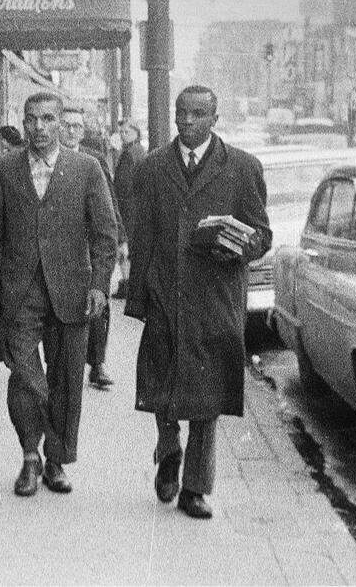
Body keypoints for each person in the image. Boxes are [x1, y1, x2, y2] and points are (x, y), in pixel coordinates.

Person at [127, 85, 271, 520]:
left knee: (208, 398)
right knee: (162, 384)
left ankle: (195, 488)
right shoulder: (152, 167)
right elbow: (142, 235)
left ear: (214, 118)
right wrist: (139, 297)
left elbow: (263, 234)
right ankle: (168, 449)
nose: (186, 122)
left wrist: (240, 248)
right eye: (180, 114)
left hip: (215, 300)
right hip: (167, 296)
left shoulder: (243, 168)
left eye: (196, 114)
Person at [0, 92, 118, 498]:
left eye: (47, 119)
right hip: (19, 292)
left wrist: (99, 285)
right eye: (31, 119)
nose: (38, 127)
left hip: (72, 291)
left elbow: (105, 235)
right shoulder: (4, 170)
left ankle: (56, 460)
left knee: (68, 378)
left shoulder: (87, 169)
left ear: (61, 123)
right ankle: (28, 456)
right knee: (25, 376)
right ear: (22, 123)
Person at [58, 104, 121, 391]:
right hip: (58, 244)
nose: (71, 131)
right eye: (66, 124)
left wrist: (117, 239)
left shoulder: (94, 161)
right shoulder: (47, 160)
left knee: (97, 303)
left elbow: (109, 205)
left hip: (88, 244)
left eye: (77, 126)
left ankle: (97, 364)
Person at [111, 119, 145, 299]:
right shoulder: (140, 151)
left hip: (126, 206)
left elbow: (122, 185)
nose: (123, 136)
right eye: (122, 133)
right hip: (137, 206)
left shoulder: (128, 155)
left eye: (127, 132)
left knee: (124, 245)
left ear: (136, 133)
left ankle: (127, 284)